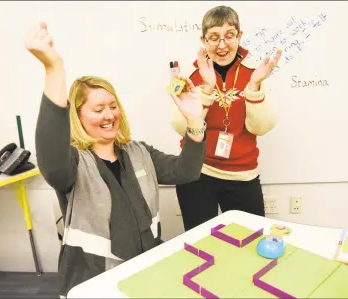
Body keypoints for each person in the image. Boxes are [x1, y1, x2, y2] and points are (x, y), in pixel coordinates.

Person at [25, 22, 207, 297]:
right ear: (78, 115)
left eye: (113, 106)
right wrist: (54, 69)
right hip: (95, 282)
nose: (109, 115)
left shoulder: (138, 151)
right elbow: (50, 155)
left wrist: (194, 120)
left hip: (145, 271)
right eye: (98, 109)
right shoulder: (72, 163)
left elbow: (186, 172)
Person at [171, 5, 281, 231]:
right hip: (197, 173)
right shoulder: (190, 75)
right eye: (214, 38)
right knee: (200, 245)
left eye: (229, 36)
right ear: (203, 40)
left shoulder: (255, 73)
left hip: (243, 175)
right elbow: (180, 126)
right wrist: (207, 89)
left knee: (250, 243)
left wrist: (253, 88)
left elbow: (261, 127)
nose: (222, 45)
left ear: (240, 36)